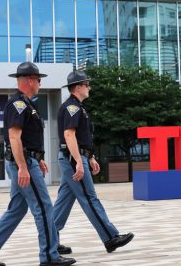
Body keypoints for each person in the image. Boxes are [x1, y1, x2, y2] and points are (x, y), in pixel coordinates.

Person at [0, 62, 76, 266]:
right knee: (44, 207)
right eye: (38, 80)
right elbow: (14, 136)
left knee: (17, 209)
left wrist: (38, 159)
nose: (40, 83)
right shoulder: (18, 104)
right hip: (24, 164)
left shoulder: (27, 104)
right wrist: (23, 166)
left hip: (28, 161)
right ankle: (49, 256)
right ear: (29, 80)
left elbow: (27, 138)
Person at [53, 70, 134, 255]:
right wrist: (78, 162)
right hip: (72, 158)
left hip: (75, 157)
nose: (89, 87)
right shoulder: (72, 107)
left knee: (64, 201)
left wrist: (89, 157)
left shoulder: (78, 107)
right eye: (86, 84)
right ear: (77, 87)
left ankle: (50, 241)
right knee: (89, 198)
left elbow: (81, 137)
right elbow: (69, 135)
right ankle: (110, 237)